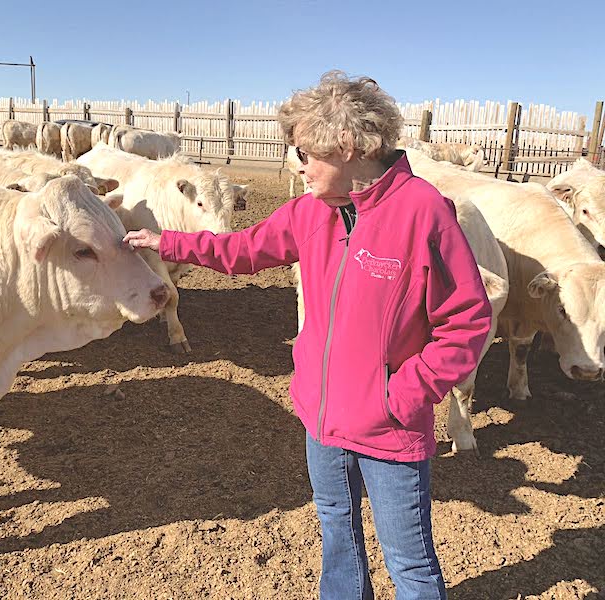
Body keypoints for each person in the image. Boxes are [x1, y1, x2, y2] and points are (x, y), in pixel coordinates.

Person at [123, 71, 491, 600]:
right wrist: (170, 242)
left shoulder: (422, 211)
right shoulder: (309, 212)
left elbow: (467, 320)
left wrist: (403, 394)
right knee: (338, 538)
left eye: (303, 152)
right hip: (320, 417)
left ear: (347, 146)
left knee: (408, 562)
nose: (295, 165)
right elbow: (243, 250)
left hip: (389, 429)